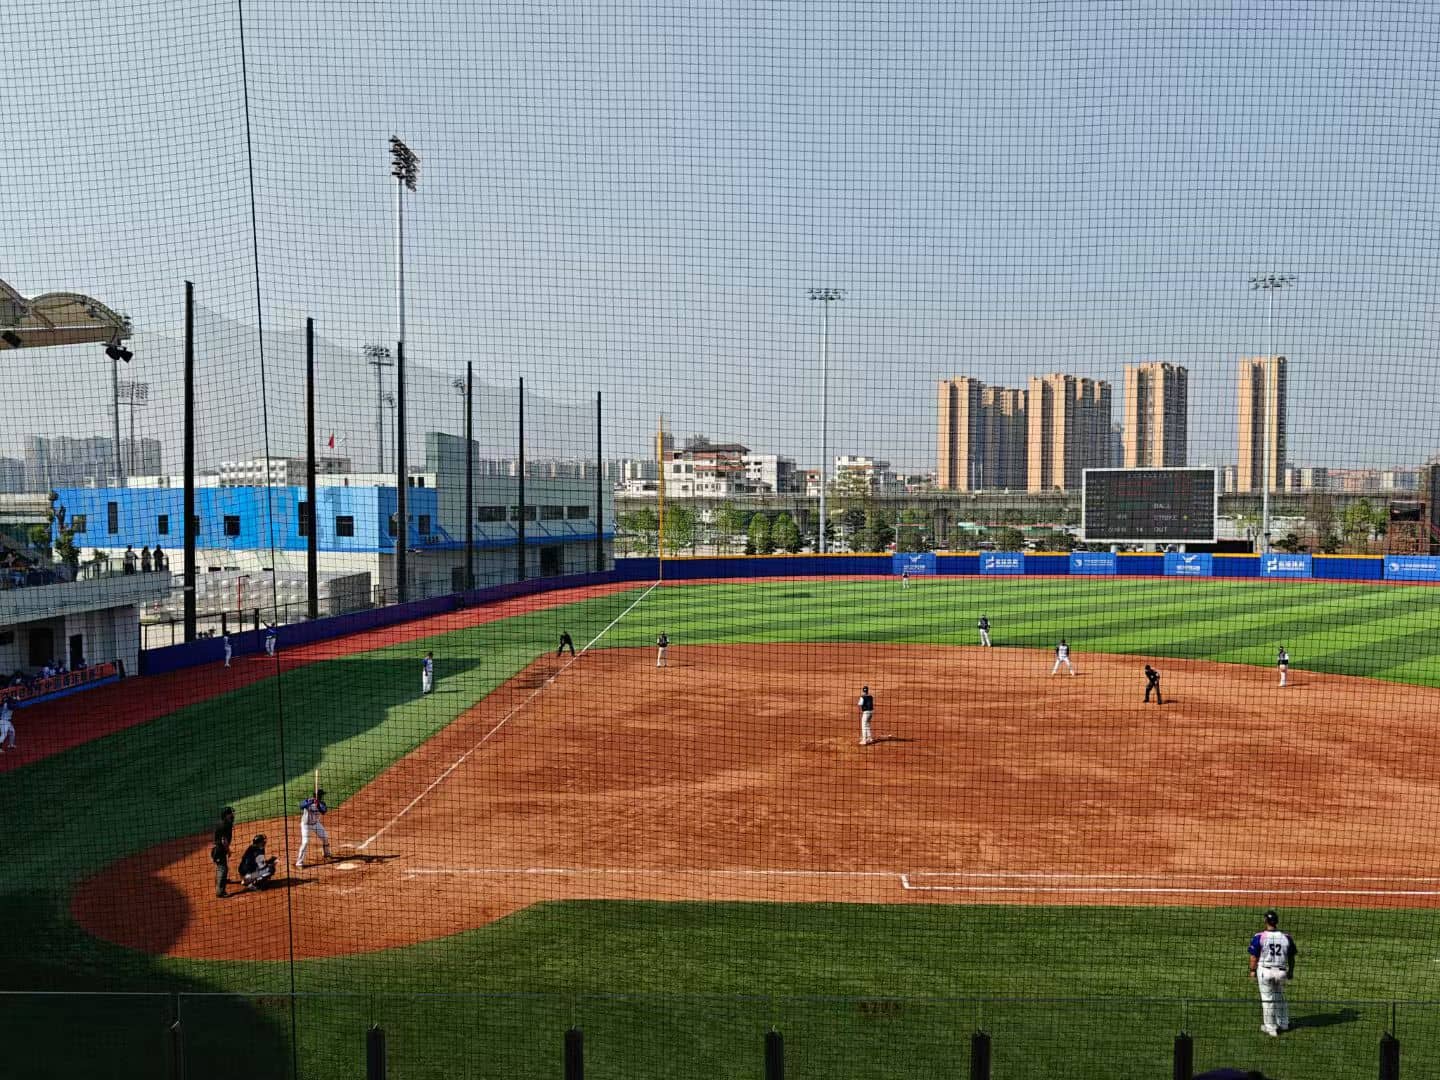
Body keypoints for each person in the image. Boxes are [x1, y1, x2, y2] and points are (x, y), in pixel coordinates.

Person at [1248, 909, 1298, 1037]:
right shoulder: (1286, 937)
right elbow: (1291, 957)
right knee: (1279, 997)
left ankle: (1271, 1028)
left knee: (1267, 1000)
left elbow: (1253, 957)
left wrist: (1252, 970)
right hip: (1281, 973)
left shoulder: (1259, 936)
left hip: (1265, 972)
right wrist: (1291, 971)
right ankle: (1284, 1023)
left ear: (1266, 921)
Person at [295, 789, 333, 868]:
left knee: (325, 837)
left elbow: (323, 811)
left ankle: (326, 853)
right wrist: (310, 802)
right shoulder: (308, 800)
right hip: (306, 825)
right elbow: (301, 806)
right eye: (321, 795)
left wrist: (318, 804)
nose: (322, 797)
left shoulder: (322, 803)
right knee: (305, 842)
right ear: (319, 796)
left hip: (316, 824)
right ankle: (299, 863)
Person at [211, 807, 235, 898]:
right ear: (226, 815)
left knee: (222, 867)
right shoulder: (224, 825)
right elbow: (224, 840)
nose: (233, 815)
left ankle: (222, 880)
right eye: (231, 813)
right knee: (222, 868)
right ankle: (220, 892)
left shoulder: (226, 823)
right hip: (219, 850)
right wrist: (228, 850)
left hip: (220, 849)